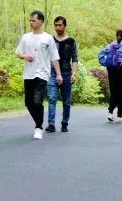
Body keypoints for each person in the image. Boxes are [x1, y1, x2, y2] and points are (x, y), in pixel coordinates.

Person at [15, 10, 62, 140]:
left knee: (37, 100)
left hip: (42, 74)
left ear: (41, 22)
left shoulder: (48, 38)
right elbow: (18, 53)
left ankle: (38, 127)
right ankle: (38, 122)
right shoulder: (25, 37)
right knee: (28, 103)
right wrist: (25, 56)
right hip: (28, 74)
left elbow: (54, 57)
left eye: (33, 20)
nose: (31, 22)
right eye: (30, 20)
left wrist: (58, 75)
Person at [46, 15, 78, 133]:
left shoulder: (71, 41)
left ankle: (64, 123)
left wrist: (74, 73)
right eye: (56, 25)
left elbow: (75, 59)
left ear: (65, 26)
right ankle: (51, 124)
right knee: (52, 98)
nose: (57, 28)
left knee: (66, 100)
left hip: (66, 73)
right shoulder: (50, 40)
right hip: (52, 73)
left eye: (60, 25)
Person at [100, 29, 122, 122]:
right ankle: (120, 115)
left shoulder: (110, 46)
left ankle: (110, 112)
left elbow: (100, 55)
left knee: (114, 91)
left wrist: (106, 64)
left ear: (116, 35)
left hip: (111, 70)